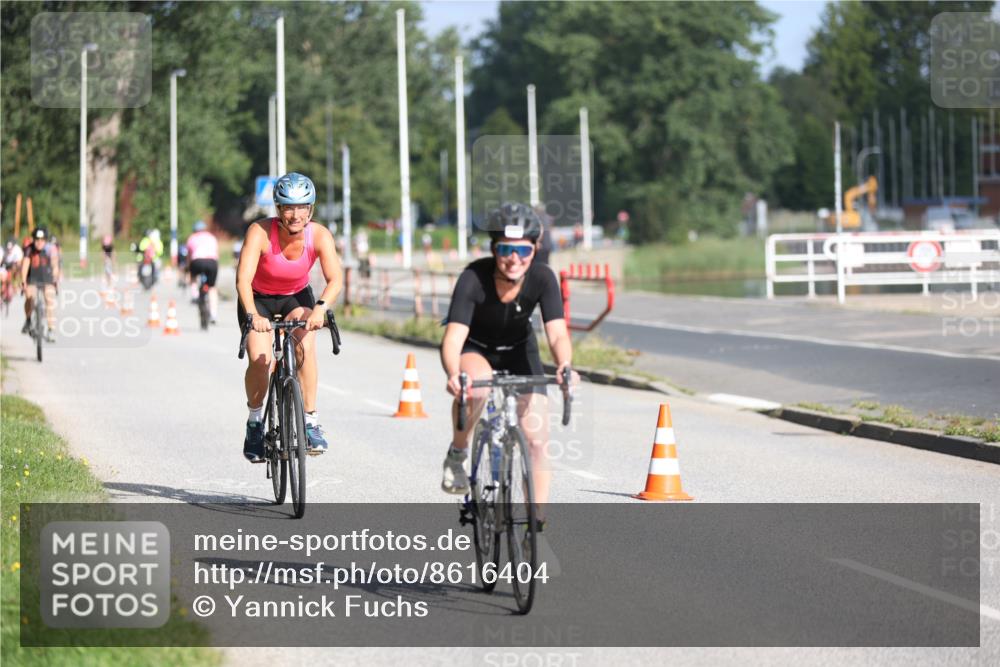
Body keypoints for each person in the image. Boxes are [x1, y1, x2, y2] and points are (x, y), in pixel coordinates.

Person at [439, 203, 575, 531]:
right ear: (494, 249)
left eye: (522, 251)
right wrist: (453, 373)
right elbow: (454, 338)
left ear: (534, 250)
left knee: (537, 440)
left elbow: (556, 332)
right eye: (506, 250)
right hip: (477, 349)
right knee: (477, 383)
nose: (514, 258)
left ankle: (535, 522)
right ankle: (458, 452)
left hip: (519, 351)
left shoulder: (542, 277)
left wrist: (565, 365)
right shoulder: (473, 277)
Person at [236, 172, 343, 462]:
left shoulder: (319, 234)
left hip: (296, 296)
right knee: (262, 360)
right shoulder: (259, 232)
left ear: (311, 209)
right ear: (278, 209)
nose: (295, 215)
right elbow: (243, 280)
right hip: (258, 299)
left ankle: (310, 422)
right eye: (288, 207)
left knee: (305, 345)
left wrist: (320, 309)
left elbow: (335, 279)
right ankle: (255, 422)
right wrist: (252, 315)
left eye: (302, 207)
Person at [20, 227, 59, 342]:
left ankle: (51, 329)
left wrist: (55, 277)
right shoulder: (29, 249)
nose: (39, 242)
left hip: (47, 277)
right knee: (29, 296)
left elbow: (55, 264)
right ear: (34, 239)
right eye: (37, 239)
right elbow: (25, 265)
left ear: (45, 240)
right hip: (32, 277)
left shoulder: (51, 249)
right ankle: (28, 320)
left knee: (49, 298)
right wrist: (23, 281)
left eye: (42, 239)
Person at [185, 220, 220, 323]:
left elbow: (189, 256)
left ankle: (194, 294)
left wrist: (188, 268)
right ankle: (213, 314)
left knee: (193, 276)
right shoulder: (211, 237)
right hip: (211, 262)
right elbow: (216, 254)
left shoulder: (192, 238)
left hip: (197, 261)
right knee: (212, 288)